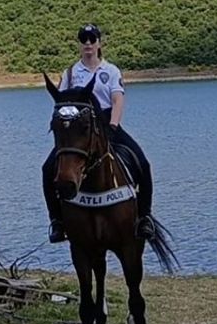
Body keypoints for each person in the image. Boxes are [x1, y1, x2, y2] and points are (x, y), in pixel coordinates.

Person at [43, 23, 156, 242]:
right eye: (83, 40)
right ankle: (57, 221)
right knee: (47, 168)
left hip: (107, 123)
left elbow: (117, 99)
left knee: (143, 163)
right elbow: (62, 104)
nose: (88, 44)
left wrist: (113, 126)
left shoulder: (111, 71)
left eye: (92, 39)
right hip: (79, 131)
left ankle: (144, 217)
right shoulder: (70, 73)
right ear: (79, 44)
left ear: (99, 43)